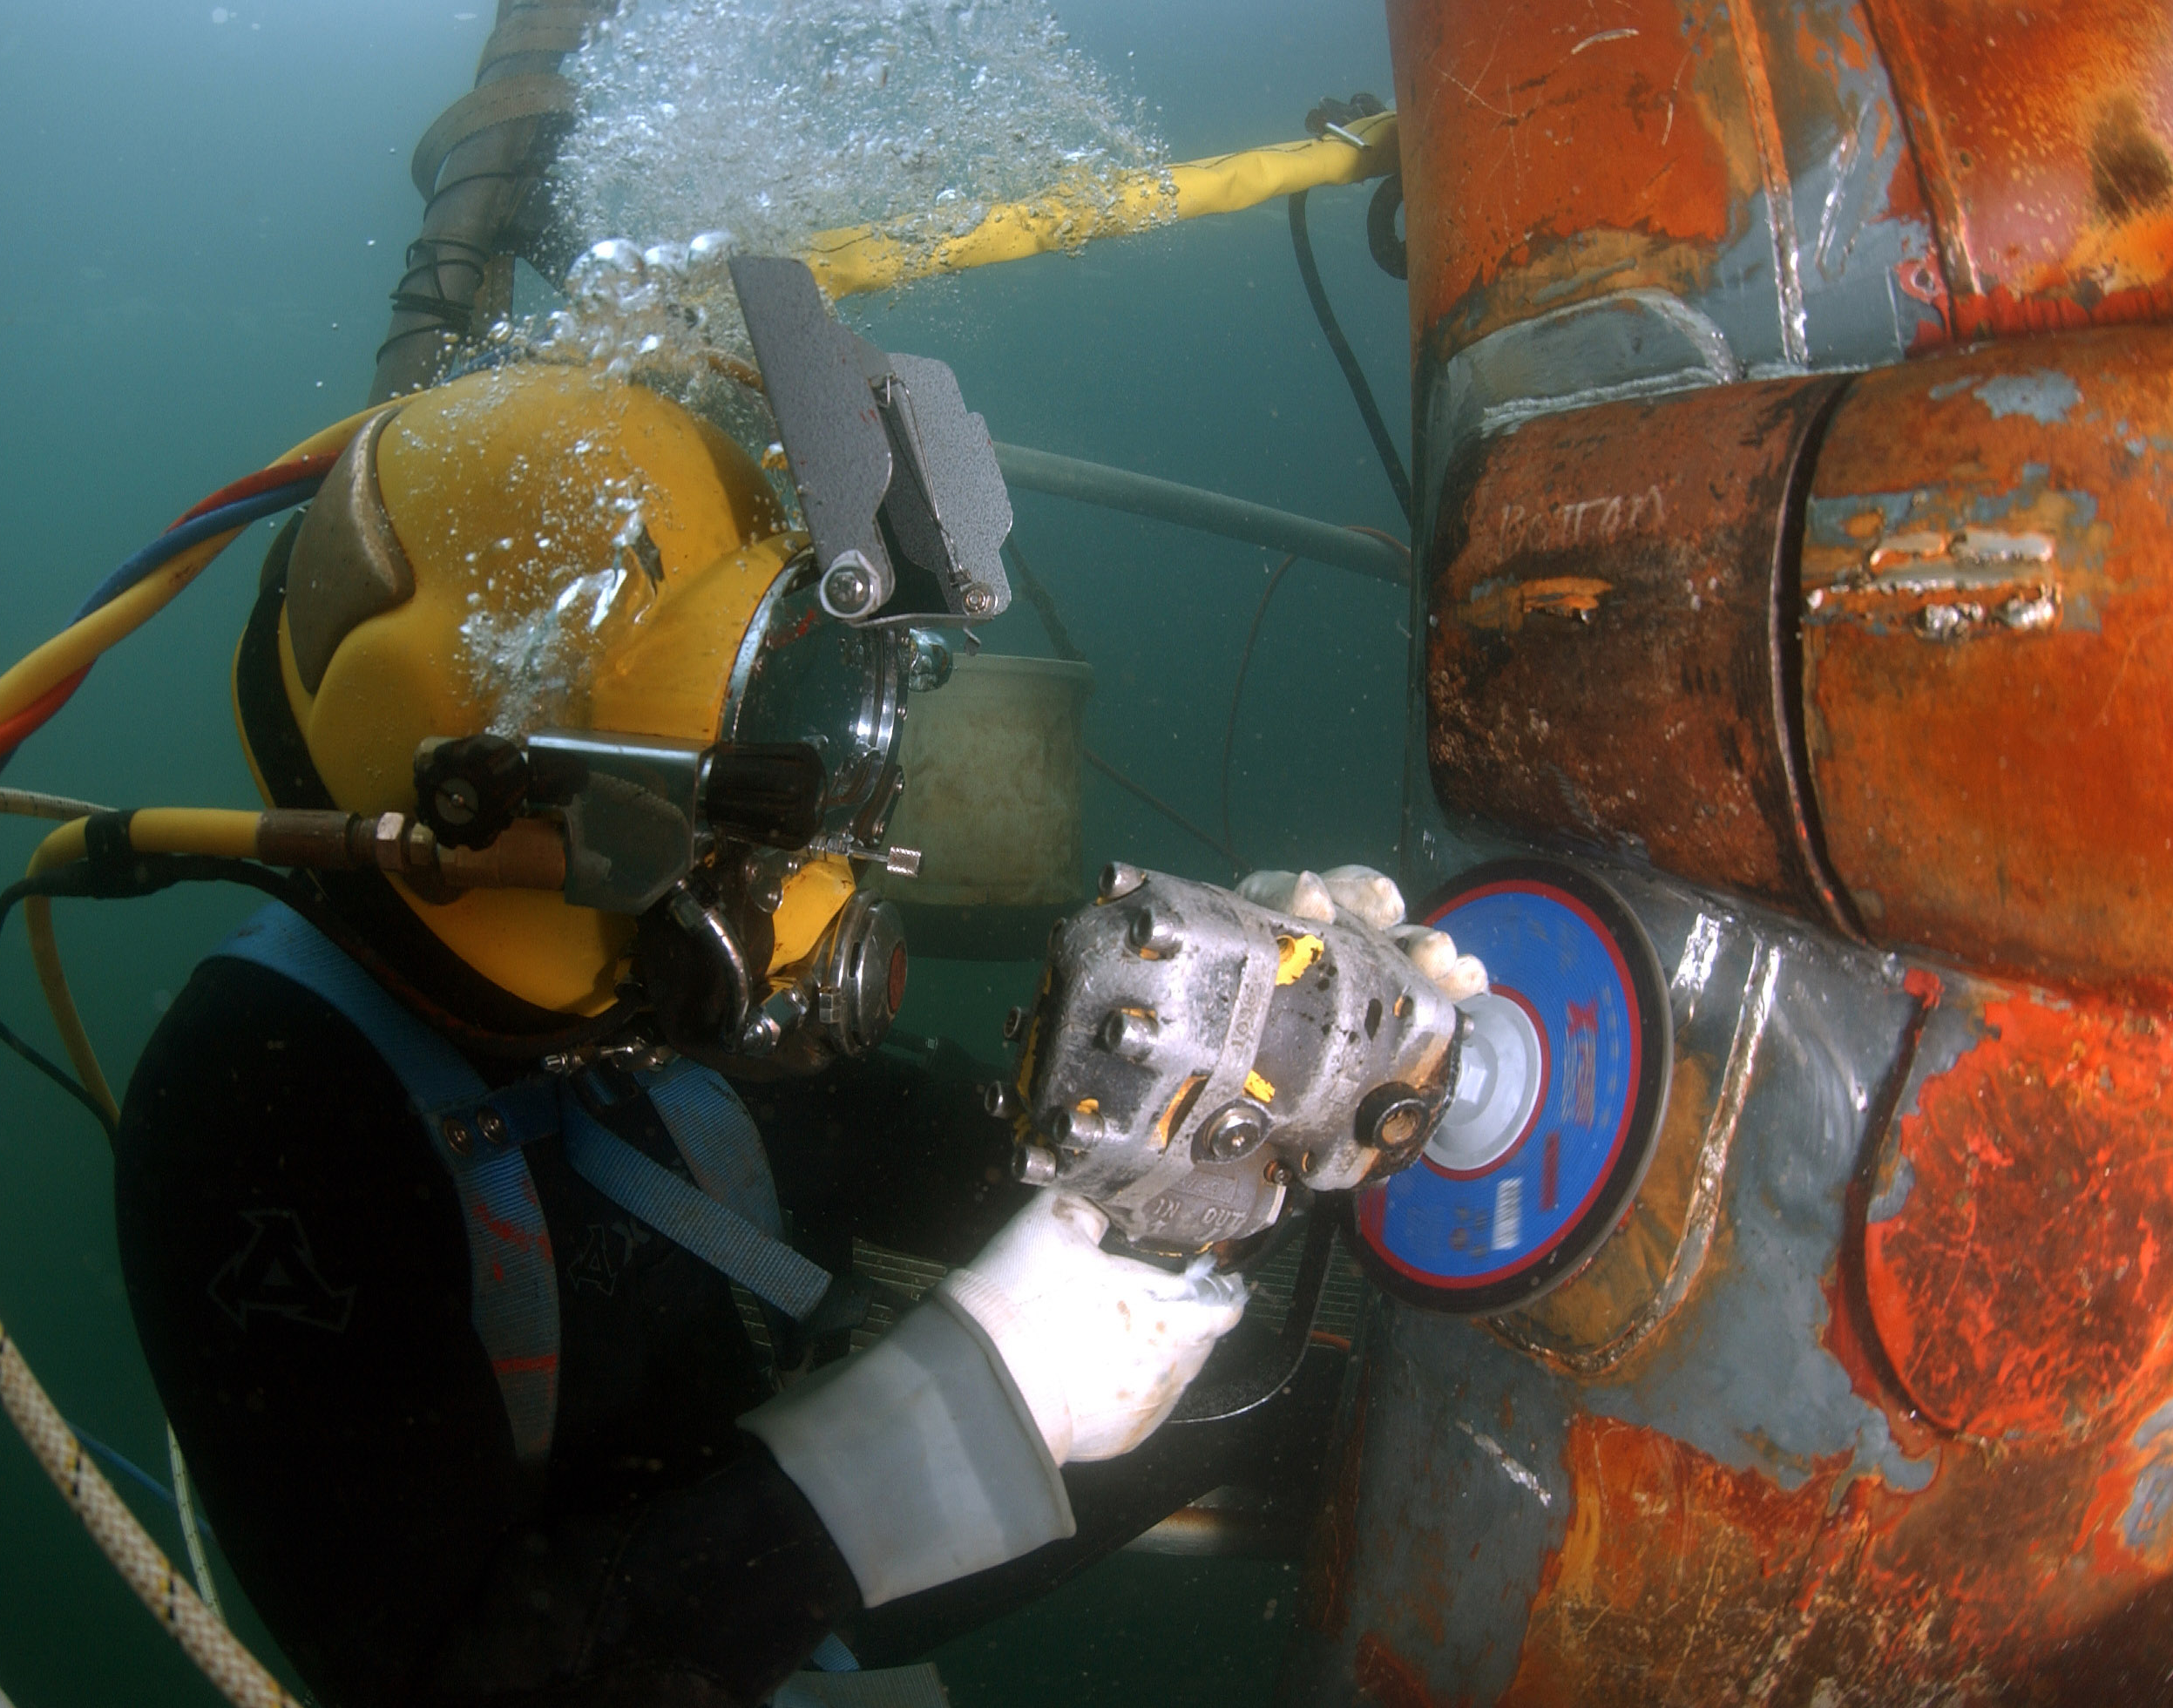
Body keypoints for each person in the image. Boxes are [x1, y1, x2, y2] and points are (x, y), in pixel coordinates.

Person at [108, 352, 1448, 1708]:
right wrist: (946, 1417)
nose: (815, 867)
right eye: (752, 782)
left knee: (1333, 1383)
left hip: (781, 1553)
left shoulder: (656, 962)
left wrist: (1241, 1081)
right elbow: (456, 1680)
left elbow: (958, 1175)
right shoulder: (255, 1118)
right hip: (670, 1634)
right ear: (495, 808)